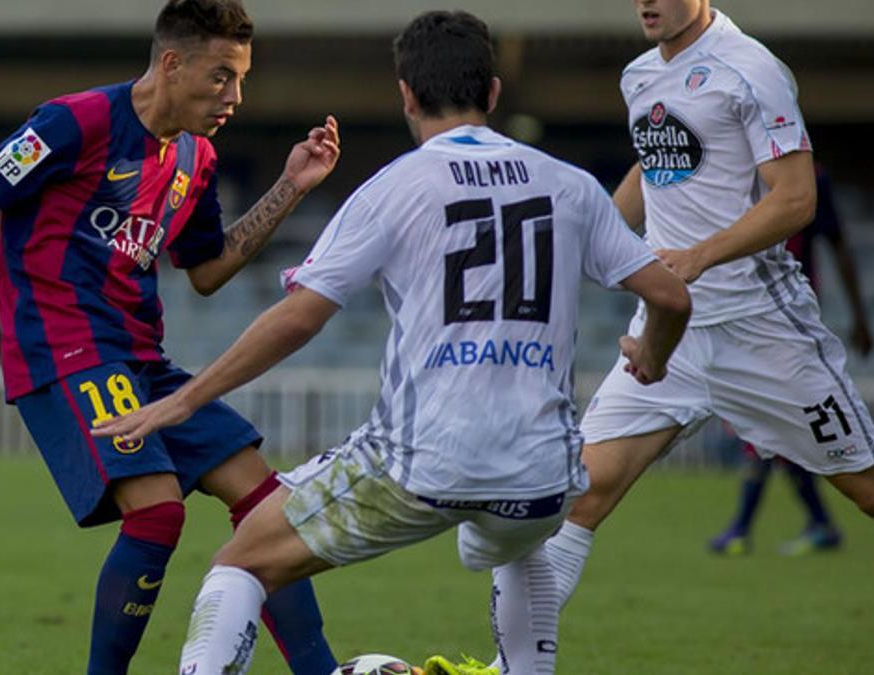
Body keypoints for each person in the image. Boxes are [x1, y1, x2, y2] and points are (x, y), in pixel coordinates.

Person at [92, 10, 691, 675]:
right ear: (492, 94)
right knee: (524, 542)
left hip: (422, 459)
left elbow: (297, 319)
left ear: (406, 95)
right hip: (543, 468)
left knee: (242, 562)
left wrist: (182, 401)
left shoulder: (396, 187)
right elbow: (670, 297)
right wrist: (653, 353)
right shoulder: (570, 186)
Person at [0, 2, 341, 673]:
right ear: (172, 63)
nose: (234, 97)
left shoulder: (196, 156)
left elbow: (207, 269)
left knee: (270, 509)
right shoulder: (76, 120)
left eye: (240, 80)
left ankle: (323, 669)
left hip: (143, 362)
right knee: (157, 514)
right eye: (221, 77)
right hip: (64, 350)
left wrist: (291, 187)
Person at [533, 0, 874, 632]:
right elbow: (652, 168)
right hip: (670, 336)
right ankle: (514, 664)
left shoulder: (752, 70)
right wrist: (593, 239)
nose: (646, 2)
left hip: (762, 333)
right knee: (577, 497)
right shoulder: (639, 76)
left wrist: (698, 256)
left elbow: (797, 199)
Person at [709, 167, 874, 556]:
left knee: (773, 426)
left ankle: (744, 529)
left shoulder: (809, 180)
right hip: (739, 313)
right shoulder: (730, 172)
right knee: (776, 427)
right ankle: (816, 523)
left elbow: (838, 245)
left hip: (786, 319)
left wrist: (860, 317)